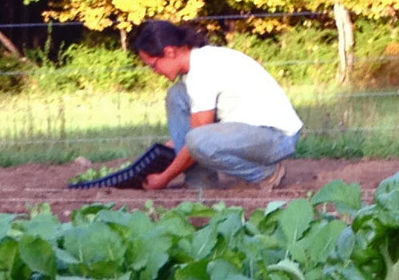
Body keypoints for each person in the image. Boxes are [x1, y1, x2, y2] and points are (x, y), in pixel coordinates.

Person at [125, 18, 304, 190]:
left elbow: (197, 138)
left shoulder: (202, 72)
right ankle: (200, 180)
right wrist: (155, 156)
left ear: (170, 52)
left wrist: (164, 178)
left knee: (197, 140)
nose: (155, 72)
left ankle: (267, 174)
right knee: (177, 95)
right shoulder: (197, 66)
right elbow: (192, 132)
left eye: (154, 65)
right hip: (253, 133)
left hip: (277, 137)